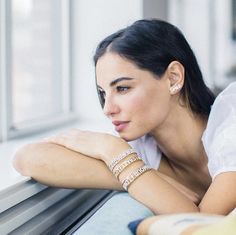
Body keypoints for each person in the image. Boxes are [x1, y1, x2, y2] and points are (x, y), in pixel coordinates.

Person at [13, 19, 236, 235]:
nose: (107, 109)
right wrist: (135, 174)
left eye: (122, 88)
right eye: (102, 93)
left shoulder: (230, 127)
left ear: (173, 78)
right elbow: (28, 158)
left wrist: (117, 154)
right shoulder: (140, 150)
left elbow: (201, 226)